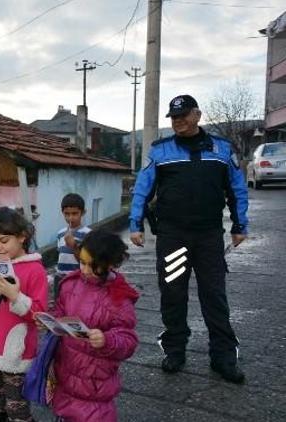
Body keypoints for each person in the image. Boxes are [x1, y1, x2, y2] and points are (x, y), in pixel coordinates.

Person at [129, 94, 249, 384]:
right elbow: (142, 189)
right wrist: (135, 224)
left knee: (215, 296)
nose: (178, 121)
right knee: (173, 294)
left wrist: (239, 225)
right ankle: (175, 350)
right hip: (173, 236)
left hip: (209, 236)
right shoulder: (160, 151)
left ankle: (223, 356)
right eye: (174, 117)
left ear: (197, 115)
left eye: (183, 115)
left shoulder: (222, 149)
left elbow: (237, 189)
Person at [47, 230, 139, 422]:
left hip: (95, 380)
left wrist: (107, 340)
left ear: (111, 264)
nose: (86, 270)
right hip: (66, 368)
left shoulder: (119, 298)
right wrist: (50, 321)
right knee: (64, 409)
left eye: (93, 265)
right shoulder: (70, 283)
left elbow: (128, 340)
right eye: (82, 262)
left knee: (94, 414)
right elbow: (61, 311)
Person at [0, 207, 48, 422]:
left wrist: (15, 296)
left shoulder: (35, 269)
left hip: (14, 350)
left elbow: (39, 314)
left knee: (17, 408)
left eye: (4, 240)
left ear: (22, 236)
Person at [54, 193, 91, 300]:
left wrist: (74, 246)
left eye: (75, 213)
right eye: (67, 214)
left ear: (83, 212)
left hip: (77, 277)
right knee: (60, 306)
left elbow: (87, 261)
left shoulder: (88, 234)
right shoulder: (60, 233)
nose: (70, 217)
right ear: (62, 213)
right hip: (60, 277)